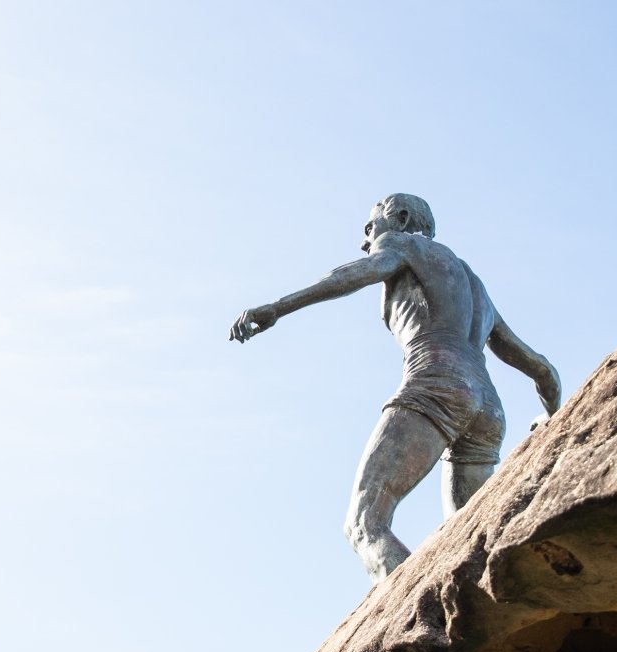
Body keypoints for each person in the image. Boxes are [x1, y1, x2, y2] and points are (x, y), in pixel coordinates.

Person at [229, 193, 561, 581]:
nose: (365, 240)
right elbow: (542, 370)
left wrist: (277, 308)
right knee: (469, 541)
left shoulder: (402, 244)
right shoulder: (475, 287)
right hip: (489, 408)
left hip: (437, 383)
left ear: (400, 219)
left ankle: (425, 618)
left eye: (370, 228)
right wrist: (554, 419)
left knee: (364, 522)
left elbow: (351, 275)